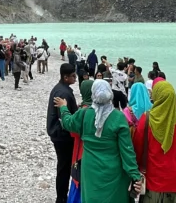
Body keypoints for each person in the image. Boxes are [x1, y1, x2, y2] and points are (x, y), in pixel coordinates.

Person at [54, 79, 143, 203]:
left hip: (90, 169)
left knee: (92, 197)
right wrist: (135, 176)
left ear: (93, 94)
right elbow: (127, 151)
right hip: (114, 171)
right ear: (110, 94)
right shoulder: (119, 118)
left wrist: (63, 108)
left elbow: (68, 122)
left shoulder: (84, 114)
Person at [133, 80, 176, 203]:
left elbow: (137, 149)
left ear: (156, 96)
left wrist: (138, 170)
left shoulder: (146, 119)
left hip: (154, 181)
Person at [47, 64, 79, 203]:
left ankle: (62, 196)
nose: (75, 78)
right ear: (65, 77)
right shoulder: (63, 93)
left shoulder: (61, 89)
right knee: (64, 167)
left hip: (57, 133)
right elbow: (64, 119)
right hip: (62, 136)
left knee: (63, 166)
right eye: (73, 76)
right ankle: (61, 198)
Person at [68, 79, 94, 203]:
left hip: (80, 154)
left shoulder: (82, 111)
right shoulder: (99, 110)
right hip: (95, 158)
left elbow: (73, 132)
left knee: (78, 188)